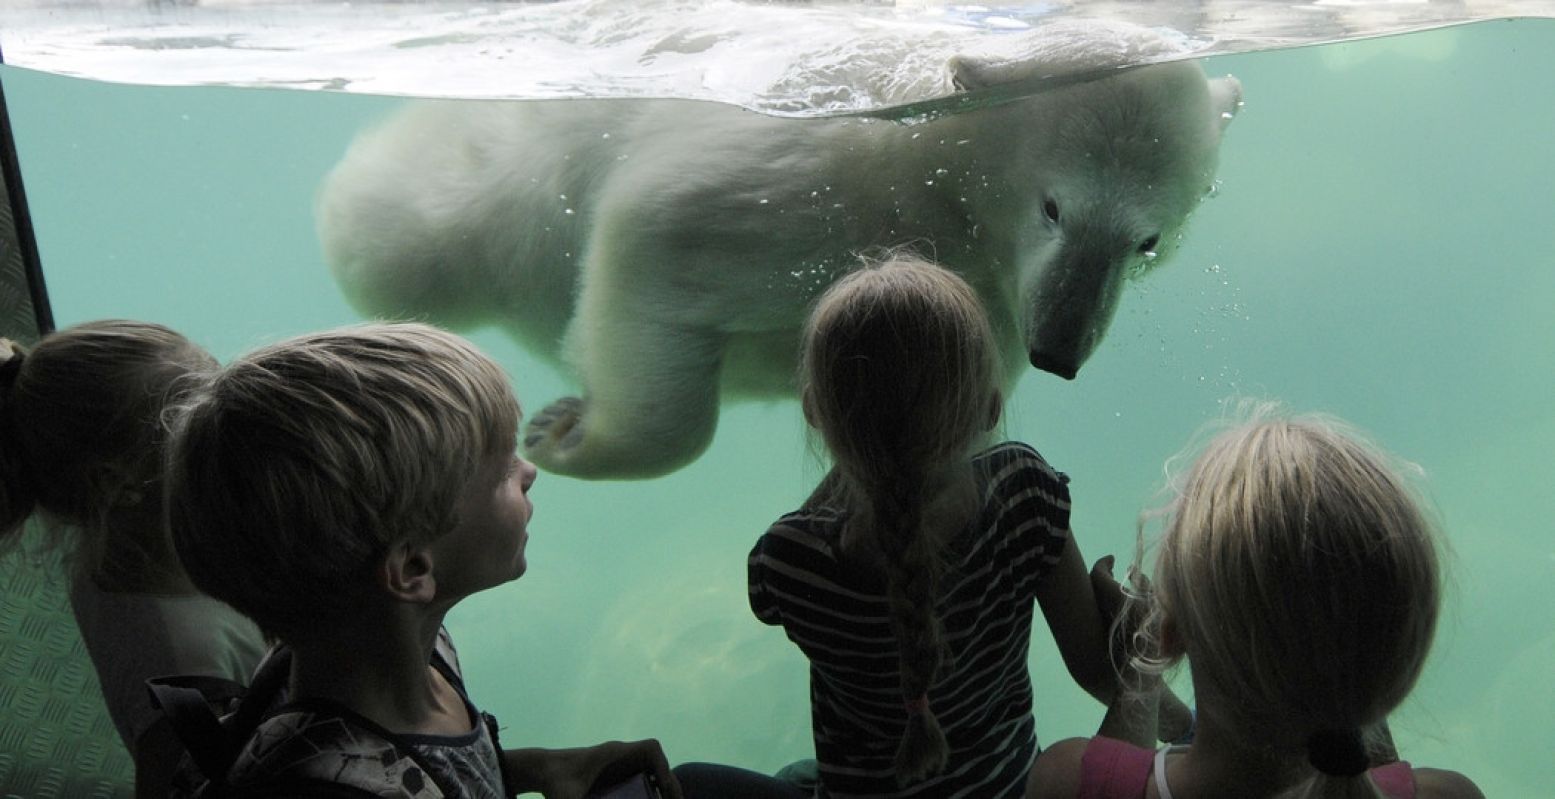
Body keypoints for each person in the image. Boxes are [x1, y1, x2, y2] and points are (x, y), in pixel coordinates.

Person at [676, 255, 1188, 798]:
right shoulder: (1024, 497)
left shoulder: (785, 562)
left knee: (701, 783)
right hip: (1007, 789)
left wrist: (867, 438)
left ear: (814, 413)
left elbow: (803, 553)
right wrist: (1165, 692)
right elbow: (1095, 670)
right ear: (991, 409)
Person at [162, 321, 680, 798]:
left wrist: (538, 767)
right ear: (413, 570)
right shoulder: (321, 786)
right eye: (501, 471)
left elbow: (423, 770)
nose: (528, 471)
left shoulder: (408, 647)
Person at [1027, 406, 1485, 799]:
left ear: (1170, 634)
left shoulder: (1064, 779)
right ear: (1397, 665)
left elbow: (1109, 779)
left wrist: (1140, 665)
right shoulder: (1449, 794)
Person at [0, 321, 268, 798]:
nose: (240, 428)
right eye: (200, 421)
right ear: (116, 483)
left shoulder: (121, 556)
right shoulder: (183, 663)